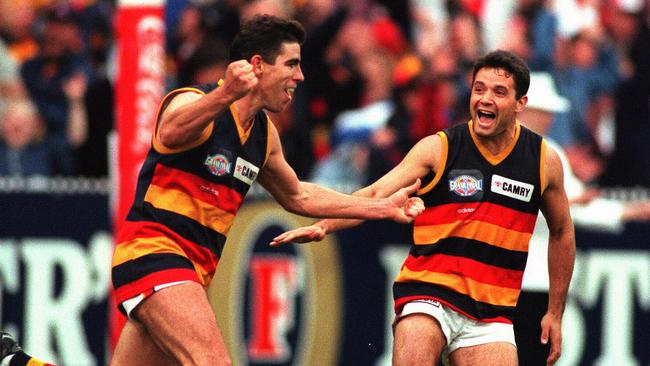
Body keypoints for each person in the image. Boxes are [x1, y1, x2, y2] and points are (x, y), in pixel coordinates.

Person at [110, 15, 424, 366]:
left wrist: (382, 208)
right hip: (154, 254)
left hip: (192, 272)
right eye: (291, 64)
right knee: (212, 361)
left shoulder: (263, 136)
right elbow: (170, 134)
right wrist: (226, 93)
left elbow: (299, 196)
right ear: (257, 65)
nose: (300, 76)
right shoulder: (193, 101)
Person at [271, 50, 576, 365]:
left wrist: (554, 312)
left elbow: (563, 230)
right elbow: (376, 192)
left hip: (491, 314)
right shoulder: (439, 147)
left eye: (499, 92)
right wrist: (324, 225)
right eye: (479, 88)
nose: (485, 99)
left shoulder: (543, 161)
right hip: (430, 294)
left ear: (520, 104)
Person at [515, 72, 650, 365]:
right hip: (514, 278)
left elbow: (577, 208)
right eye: (545, 111)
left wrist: (629, 211)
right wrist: (565, 203)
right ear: (527, 109)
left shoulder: (551, 152)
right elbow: (516, 210)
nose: (550, 118)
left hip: (540, 278)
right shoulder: (515, 151)